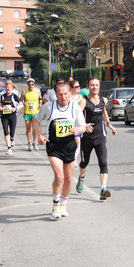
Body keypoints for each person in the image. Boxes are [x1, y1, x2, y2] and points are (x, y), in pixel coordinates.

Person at [32, 82, 92, 219]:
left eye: (66, 94)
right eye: (60, 94)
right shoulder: (48, 107)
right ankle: (55, 204)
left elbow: (83, 126)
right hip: (54, 146)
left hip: (69, 146)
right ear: (56, 95)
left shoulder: (75, 108)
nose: (63, 97)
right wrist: (40, 135)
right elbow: (36, 120)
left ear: (70, 93)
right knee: (59, 177)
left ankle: (63, 203)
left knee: (69, 179)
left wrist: (78, 129)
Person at [75, 76, 117, 200]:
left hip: (100, 136)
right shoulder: (84, 101)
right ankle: (82, 177)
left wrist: (109, 125)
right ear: (88, 87)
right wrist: (83, 124)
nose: (94, 87)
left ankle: (103, 188)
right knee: (84, 162)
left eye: (97, 85)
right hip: (86, 138)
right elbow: (76, 114)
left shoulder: (103, 99)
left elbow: (103, 111)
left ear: (99, 86)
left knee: (103, 162)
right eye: (92, 85)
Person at [0, 80, 22, 155]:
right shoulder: (2, 95)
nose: (8, 89)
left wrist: (16, 109)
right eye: (7, 88)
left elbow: (21, 104)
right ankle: (9, 148)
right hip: (4, 115)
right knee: (6, 131)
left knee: (12, 131)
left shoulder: (14, 95)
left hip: (12, 115)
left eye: (10, 88)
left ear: (12, 88)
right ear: (5, 88)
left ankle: (12, 139)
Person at [20, 78, 42, 151]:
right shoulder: (24, 92)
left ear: (34, 85)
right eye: (29, 85)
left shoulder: (37, 91)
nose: (31, 86)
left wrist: (41, 104)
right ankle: (29, 143)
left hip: (35, 112)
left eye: (32, 84)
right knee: (28, 128)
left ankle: (34, 142)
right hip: (27, 112)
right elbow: (20, 100)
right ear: (27, 85)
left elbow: (40, 99)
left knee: (35, 128)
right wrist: (23, 103)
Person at [69, 79, 84, 166]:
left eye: (79, 86)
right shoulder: (69, 98)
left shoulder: (82, 98)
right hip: (69, 123)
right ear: (71, 88)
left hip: (78, 124)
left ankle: (74, 160)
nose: (78, 88)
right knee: (70, 142)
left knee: (78, 142)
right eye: (76, 86)